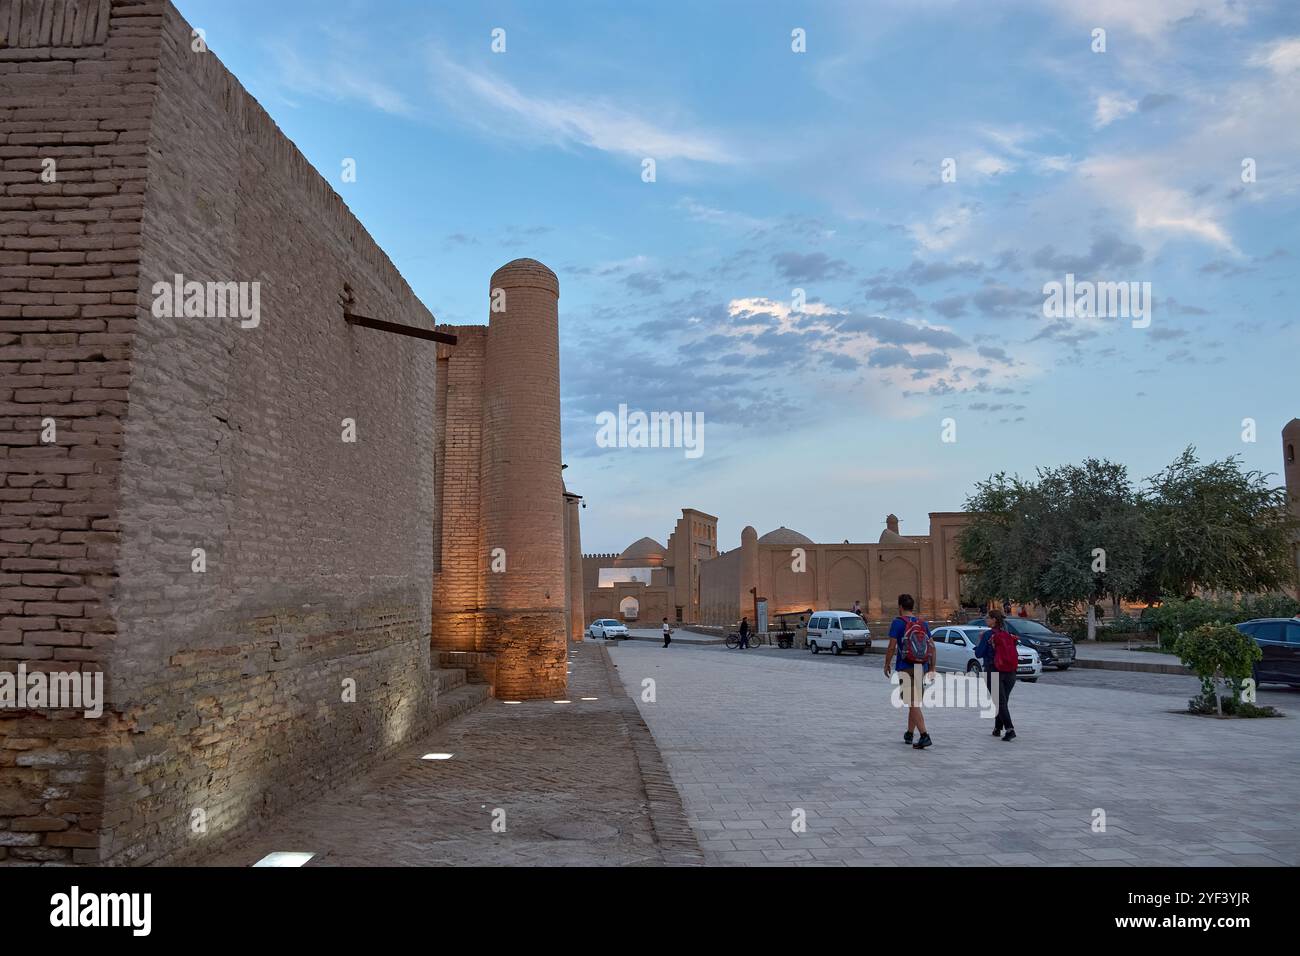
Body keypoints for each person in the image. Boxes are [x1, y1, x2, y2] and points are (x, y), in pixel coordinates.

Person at [884, 593, 936, 750]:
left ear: (900, 607)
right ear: (913, 607)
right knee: (914, 702)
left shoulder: (898, 623)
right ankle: (909, 733)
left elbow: (892, 646)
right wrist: (932, 667)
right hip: (921, 666)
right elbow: (932, 647)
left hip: (905, 666)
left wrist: (887, 663)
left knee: (912, 702)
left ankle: (924, 735)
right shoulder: (922, 623)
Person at [981, 608, 1019, 741]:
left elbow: (979, 653)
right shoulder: (1008, 634)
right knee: (1002, 701)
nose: (986, 620)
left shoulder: (987, 635)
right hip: (1010, 672)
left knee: (1000, 702)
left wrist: (980, 641)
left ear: (994, 620)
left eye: (988, 618)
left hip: (993, 670)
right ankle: (997, 728)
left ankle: (1010, 729)